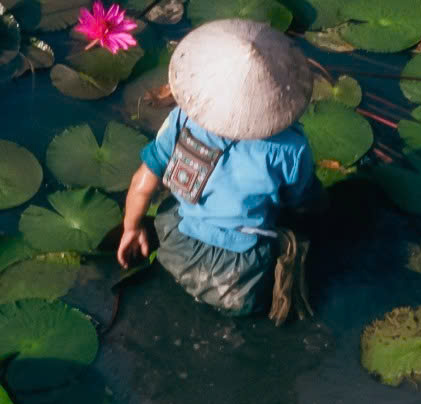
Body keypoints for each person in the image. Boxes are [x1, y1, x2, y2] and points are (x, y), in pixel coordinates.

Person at [116, 18, 317, 317]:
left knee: (173, 205)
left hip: (177, 249)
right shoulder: (290, 149)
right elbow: (304, 202)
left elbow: (142, 182)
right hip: (240, 277)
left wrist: (131, 229)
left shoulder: (182, 120)